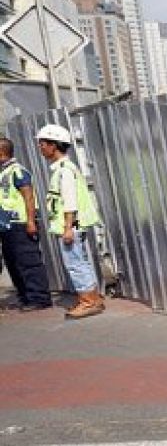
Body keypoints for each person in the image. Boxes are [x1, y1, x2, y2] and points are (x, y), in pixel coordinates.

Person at [37, 124, 105, 319]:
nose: (41, 148)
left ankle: (88, 302)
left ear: (54, 145)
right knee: (80, 262)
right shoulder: (64, 168)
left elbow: (70, 202)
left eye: (43, 144)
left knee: (75, 264)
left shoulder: (65, 170)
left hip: (71, 226)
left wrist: (67, 228)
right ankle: (93, 298)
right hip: (73, 225)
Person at [0, 137, 52, 311]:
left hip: (20, 224)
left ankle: (39, 298)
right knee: (13, 262)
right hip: (6, 226)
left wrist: (31, 221)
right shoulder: (3, 172)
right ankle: (25, 296)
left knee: (28, 261)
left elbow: (28, 196)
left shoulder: (18, 171)